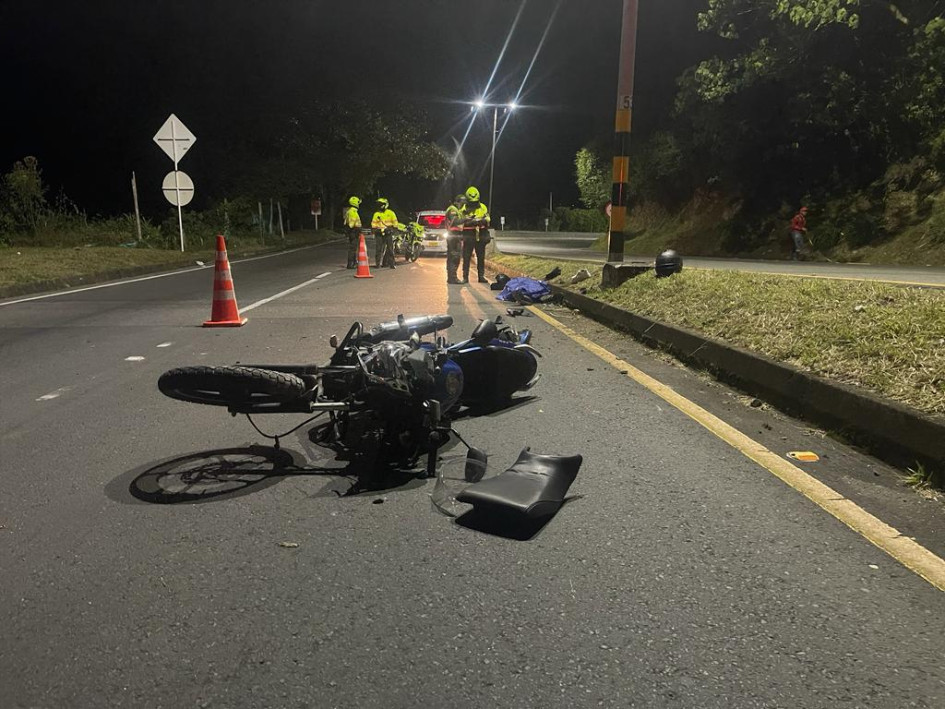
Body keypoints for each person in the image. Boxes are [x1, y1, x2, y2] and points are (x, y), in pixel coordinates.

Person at [458, 186, 491, 283]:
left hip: (480, 235)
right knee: (466, 257)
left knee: (481, 257)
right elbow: (460, 223)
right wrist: (471, 222)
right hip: (468, 236)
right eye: (471, 202)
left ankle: (481, 276)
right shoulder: (463, 209)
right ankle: (465, 277)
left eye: (475, 202)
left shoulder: (483, 207)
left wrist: (483, 220)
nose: (473, 204)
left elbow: (488, 219)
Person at [371, 198, 399, 269]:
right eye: (379, 204)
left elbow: (395, 223)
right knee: (378, 249)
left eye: (381, 204)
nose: (380, 206)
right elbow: (373, 224)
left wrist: (391, 229)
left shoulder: (391, 213)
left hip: (388, 233)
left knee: (390, 249)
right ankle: (377, 264)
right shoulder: (376, 214)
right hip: (379, 234)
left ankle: (392, 264)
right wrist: (376, 230)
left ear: (385, 205)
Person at [444, 194, 466, 284]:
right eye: (462, 202)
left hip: (455, 235)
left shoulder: (457, 210)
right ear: (457, 202)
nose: (463, 204)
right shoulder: (453, 209)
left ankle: (451, 277)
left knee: (452, 256)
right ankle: (453, 278)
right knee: (455, 256)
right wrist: (466, 219)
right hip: (453, 235)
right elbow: (455, 221)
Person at [343, 196, 362, 269]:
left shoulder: (349, 211)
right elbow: (351, 224)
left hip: (352, 232)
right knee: (352, 248)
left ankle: (354, 262)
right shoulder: (353, 212)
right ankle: (351, 264)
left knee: (353, 248)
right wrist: (357, 229)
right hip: (354, 231)